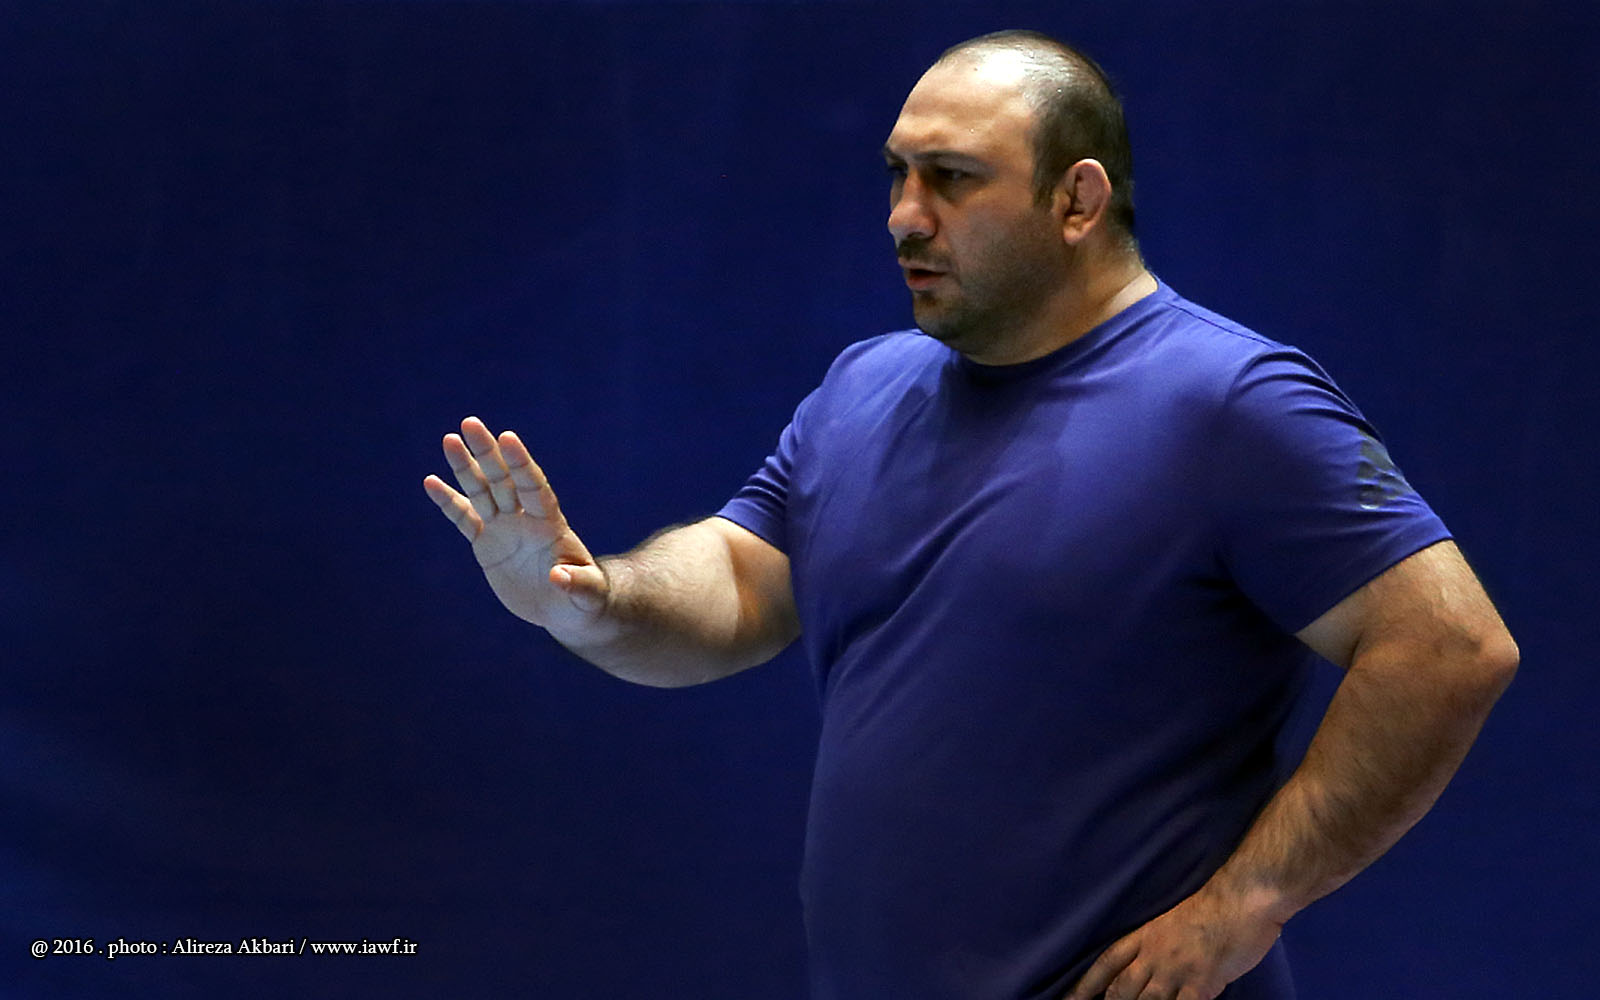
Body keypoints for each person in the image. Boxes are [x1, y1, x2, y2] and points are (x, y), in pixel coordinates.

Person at [423, 29, 1517, 1000]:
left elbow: (1449, 647)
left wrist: (1245, 906)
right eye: (897, 174)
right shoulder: (863, 387)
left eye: (951, 179)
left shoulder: (1231, 401)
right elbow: (742, 585)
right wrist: (588, 597)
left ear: (1077, 201)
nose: (904, 217)